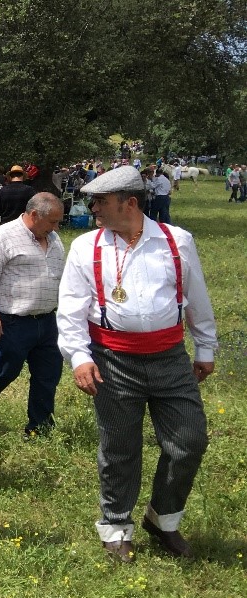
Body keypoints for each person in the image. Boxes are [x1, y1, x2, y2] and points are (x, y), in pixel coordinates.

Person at [57, 165, 216, 562]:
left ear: (129, 203)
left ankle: (162, 520)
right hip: (112, 360)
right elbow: (71, 310)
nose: (93, 207)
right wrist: (79, 356)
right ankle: (115, 526)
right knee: (119, 447)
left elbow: (196, 296)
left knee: (189, 442)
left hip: (169, 358)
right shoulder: (86, 246)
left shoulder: (176, 240)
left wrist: (206, 348)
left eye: (100, 201)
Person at [0, 193, 66, 437]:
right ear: (34, 215)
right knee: (4, 371)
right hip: (14, 321)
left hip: (48, 320)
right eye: (52, 221)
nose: (56, 227)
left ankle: (39, 426)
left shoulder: (53, 238)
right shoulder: (2, 236)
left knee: (48, 374)